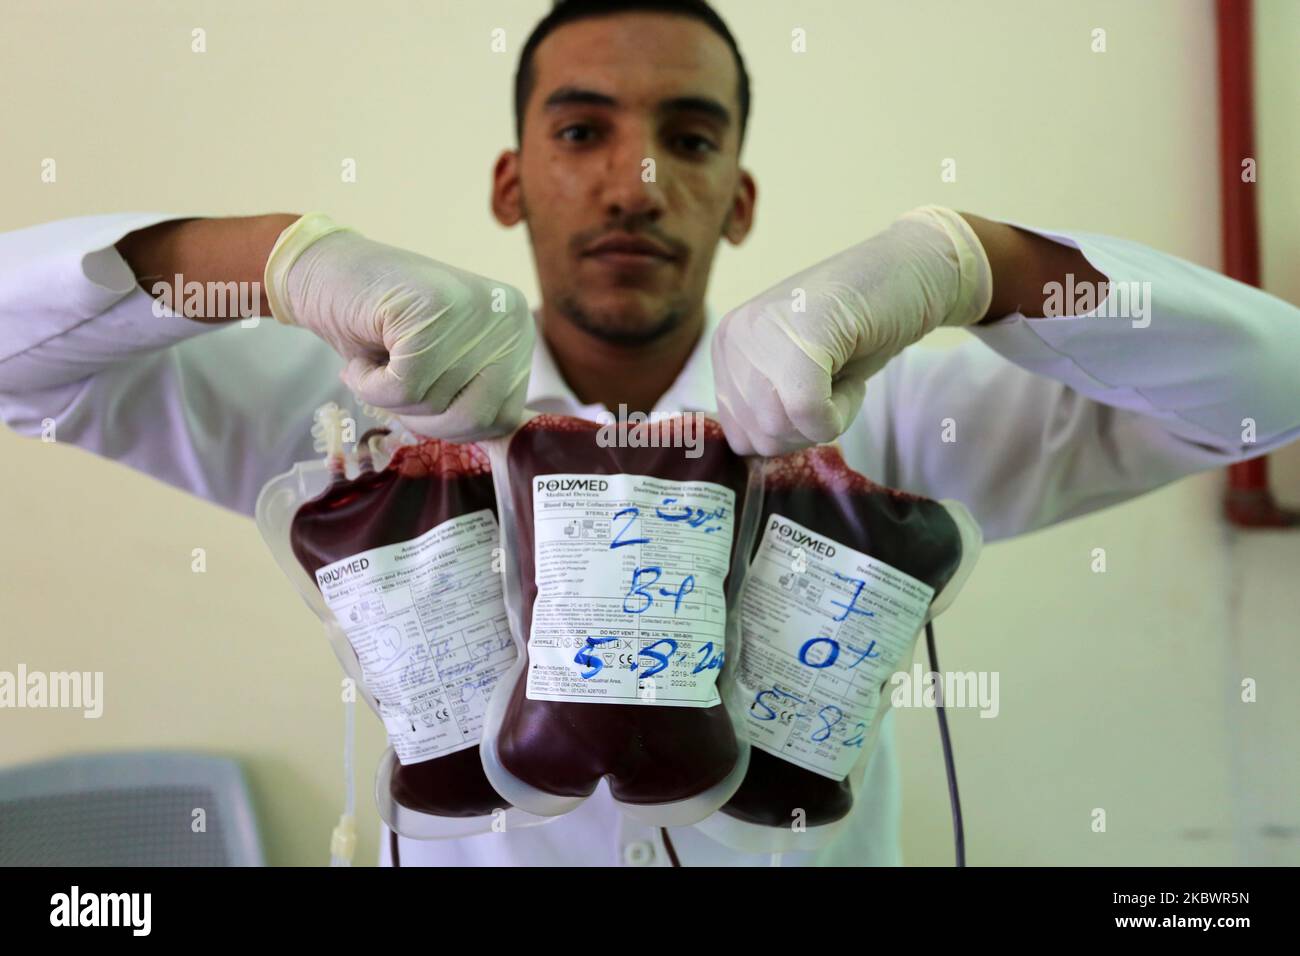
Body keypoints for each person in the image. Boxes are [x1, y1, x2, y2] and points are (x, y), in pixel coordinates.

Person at [1, 0, 1297, 867]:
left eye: (690, 137)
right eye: (581, 131)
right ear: (512, 179)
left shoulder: (898, 424)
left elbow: (1271, 388)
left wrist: (976, 267)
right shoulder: (339, 412)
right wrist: (273, 261)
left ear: (739, 199)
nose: (636, 182)